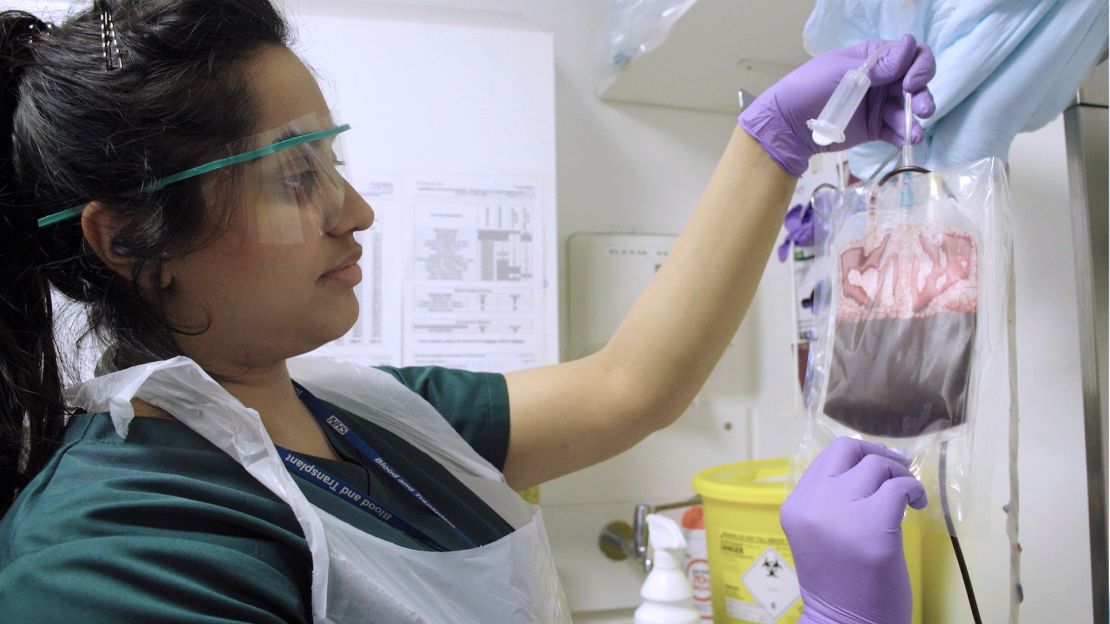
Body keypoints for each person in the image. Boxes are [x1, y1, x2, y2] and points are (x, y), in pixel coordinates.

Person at [0, 1, 936, 622]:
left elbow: (626, 386)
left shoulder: (369, 414)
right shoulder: (116, 546)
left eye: (333, 164)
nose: (354, 212)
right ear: (128, 241)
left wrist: (770, 144)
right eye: (296, 177)